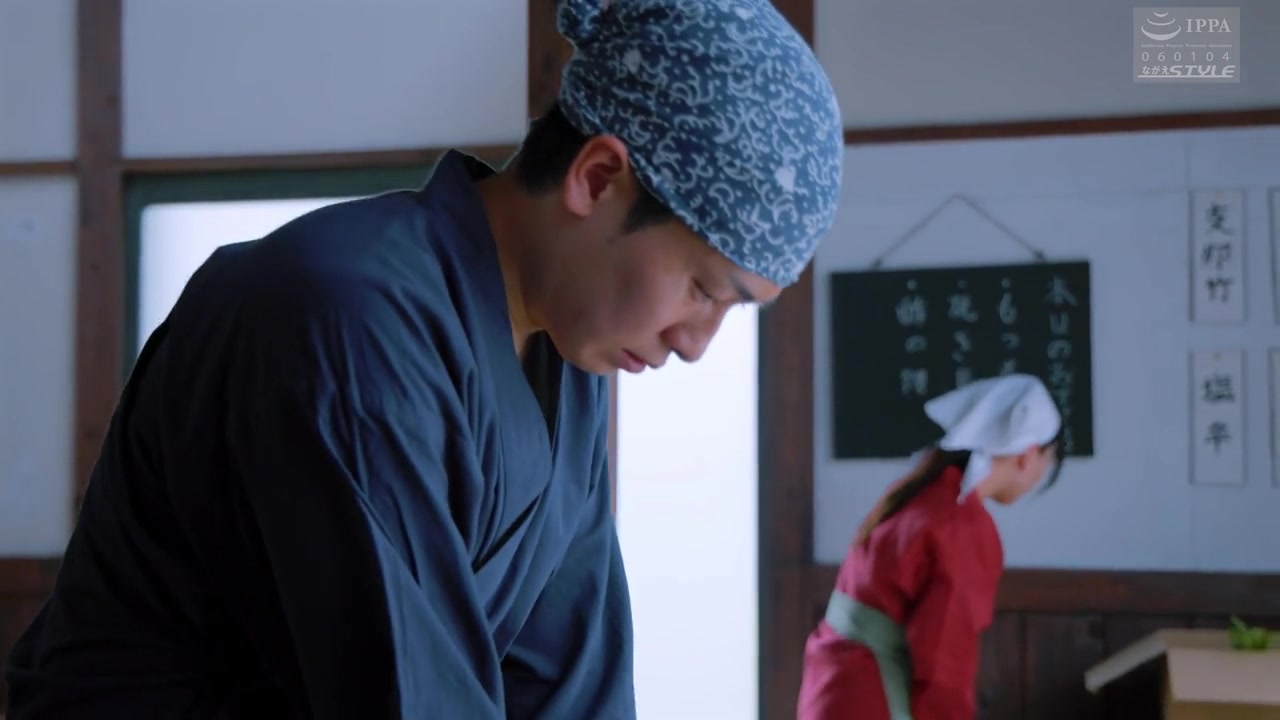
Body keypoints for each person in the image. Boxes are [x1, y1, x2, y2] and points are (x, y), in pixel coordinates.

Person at [4, 1, 842, 718]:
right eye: (704, 289)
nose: (695, 343)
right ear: (596, 177)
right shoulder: (343, 317)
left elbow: (569, 685)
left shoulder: (564, 361)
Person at [797, 373, 1065, 720]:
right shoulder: (962, 526)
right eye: (1048, 460)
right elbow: (943, 661)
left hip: (834, 688)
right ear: (1028, 455)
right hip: (876, 699)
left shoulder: (919, 492)